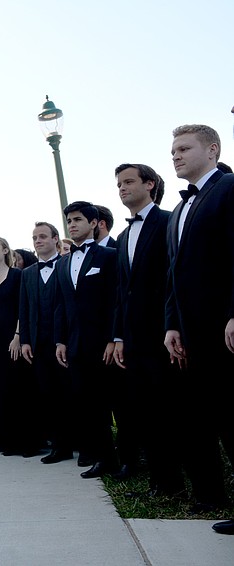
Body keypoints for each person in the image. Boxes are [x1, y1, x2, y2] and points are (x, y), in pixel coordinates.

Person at [164, 124, 234, 524]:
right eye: (173, 149)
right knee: (201, 417)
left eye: (184, 148)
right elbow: (175, 272)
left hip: (222, 328)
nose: (175, 155)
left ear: (212, 150)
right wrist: (171, 323)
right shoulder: (180, 208)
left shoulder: (229, 187)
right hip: (189, 334)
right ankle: (210, 496)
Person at [111, 163, 185, 493]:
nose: (122, 188)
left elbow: (175, 279)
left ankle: (177, 481)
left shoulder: (169, 221)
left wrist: (173, 326)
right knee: (146, 412)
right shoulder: (124, 235)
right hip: (135, 340)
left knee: (170, 412)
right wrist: (119, 336)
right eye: (119, 184)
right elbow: (121, 292)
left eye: (129, 182)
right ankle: (161, 482)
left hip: (165, 335)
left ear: (150, 184)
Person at [54, 201, 119, 479]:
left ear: (93, 223)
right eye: (69, 220)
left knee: (112, 404)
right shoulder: (64, 262)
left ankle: (125, 459)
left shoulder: (109, 256)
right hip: (75, 345)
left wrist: (113, 338)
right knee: (87, 404)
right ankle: (102, 458)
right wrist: (60, 341)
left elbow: (115, 301)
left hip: (104, 345)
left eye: (78, 219)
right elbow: (61, 305)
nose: (72, 225)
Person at [0, 236, 40, 457]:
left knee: (20, 390)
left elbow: (24, 306)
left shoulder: (17, 275)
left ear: (5, 250)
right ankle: (9, 442)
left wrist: (18, 335)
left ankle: (28, 443)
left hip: (13, 338)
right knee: (1, 390)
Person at [18, 221, 73, 464]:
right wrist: (25, 340)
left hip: (65, 342)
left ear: (55, 239)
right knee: (48, 395)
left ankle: (83, 445)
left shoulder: (67, 264)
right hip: (38, 345)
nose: (38, 241)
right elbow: (24, 308)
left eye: (42, 237)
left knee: (70, 395)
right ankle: (60, 447)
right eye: (34, 238)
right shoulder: (27, 273)